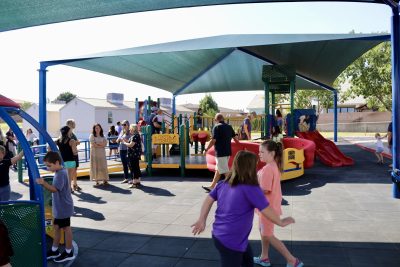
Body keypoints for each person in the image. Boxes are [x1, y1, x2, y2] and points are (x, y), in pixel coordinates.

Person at [191, 150, 295, 267]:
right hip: (231, 241)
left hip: (222, 235)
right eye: (255, 165)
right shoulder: (251, 189)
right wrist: (281, 222)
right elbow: (266, 209)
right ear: (250, 168)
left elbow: (208, 200)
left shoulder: (223, 184)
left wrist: (202, 219)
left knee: (247, 261)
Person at [254, 140, 303, 267]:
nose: (259, 154)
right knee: (263, 231)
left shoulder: (267, 169)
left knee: (268, 235)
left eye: (262, 152)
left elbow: (264, 189)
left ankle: (292, 260)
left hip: (267, 209)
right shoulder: (273, 166)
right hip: (267, 207)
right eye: (259, 152)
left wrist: (249, 189)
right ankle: (264, 258)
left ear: (272, 153)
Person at [36, 151, 75, 263]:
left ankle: (68, 252)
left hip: (63, 208)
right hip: (61, 207)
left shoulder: (61, 174)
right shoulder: (60, 172)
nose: (48, 168)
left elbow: (54, 189)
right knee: (57, 227)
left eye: (49, 166)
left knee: (66, 228)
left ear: (57, 162)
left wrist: (43, 183)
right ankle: (55, 250)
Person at [202, 113, 239, 192]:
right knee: (219, 170)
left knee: (224, 170)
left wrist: (206, 149)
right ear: (223, 119)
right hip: (228, 152)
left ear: (216, 120)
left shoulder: (216, 127)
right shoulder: (229, 127)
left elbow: (213, 140)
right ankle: (212, 186)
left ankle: (235, 187)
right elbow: (236, 139)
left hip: (220, 152)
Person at [56, 126, 79, 192]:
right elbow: (74, 152)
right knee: (69, 177)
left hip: (62, 161)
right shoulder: (72, 141)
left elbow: (49, 147)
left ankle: (63, 188)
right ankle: (68, 189)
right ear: (68, 132)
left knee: (63, 176)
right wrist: (76, 152)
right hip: (70, 160)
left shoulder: (58, 141)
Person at [123, 124, 142, 188]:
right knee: (136, 168)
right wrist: (126, 141)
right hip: (136, 155)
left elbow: (131, 145)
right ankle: (137, 181)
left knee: (133, 168)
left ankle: (134, 183)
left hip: (133, 155)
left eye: (130, 129)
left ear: (133, 129)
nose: (129, 130)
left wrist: (125, 143)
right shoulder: (137, 136)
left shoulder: (135, 136)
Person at [66, 119, 80, 191]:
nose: (74, 124)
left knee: (75, 169)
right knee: (70, 171)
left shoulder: (72, 134)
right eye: (73, 123)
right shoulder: (66, 133)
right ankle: (69, 186)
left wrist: (75, 143)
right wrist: (74, 143)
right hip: (69, 154)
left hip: (74, 153)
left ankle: (75, 184)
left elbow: (78, 142)